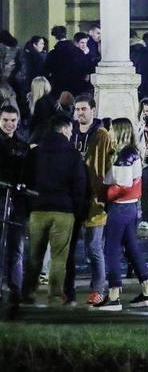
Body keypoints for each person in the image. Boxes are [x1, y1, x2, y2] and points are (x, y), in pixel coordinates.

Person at [23, 114, 86, 306]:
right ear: (64, 129)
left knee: (34, 254)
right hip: (63, 210)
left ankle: (28, 292)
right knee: (59, 256)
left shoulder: (36, 152)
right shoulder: (73, 154)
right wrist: (78, 211)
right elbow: (79, 186)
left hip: (38, 209)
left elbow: (26, 179)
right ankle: (56, 294)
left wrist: (29, 206)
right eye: (70, 130)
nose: (71, 133)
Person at [94, 119, 148, 311]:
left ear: (120, 132)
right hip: (130, 208)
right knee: (131, 248)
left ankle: (114, 296)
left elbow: (122, 185)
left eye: (112, 130)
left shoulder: (125, 154)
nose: (110, 133)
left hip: (120, 208)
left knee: (111, 250)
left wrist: (103, 195)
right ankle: (147, 290)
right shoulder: (131, 152)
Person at [69, 94, 111, 304]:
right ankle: (67, 289)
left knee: (94, 248)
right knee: (70, 248)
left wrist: (102, 196)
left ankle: (98, 288)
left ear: (93, 110)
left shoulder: (101, 134)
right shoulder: (71, 132)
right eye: (77, 109)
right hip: (73, 198)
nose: (80, 113)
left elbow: (105, 167)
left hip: (95, 199)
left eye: (83, 109)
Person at [0, 103, 29, 305]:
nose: (9, 124)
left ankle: (15, 290)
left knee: (16, 247)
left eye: (12, 120)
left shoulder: (22, 146)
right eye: (5, 120)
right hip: (1, 197)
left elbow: (28, 172)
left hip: (17, 201)